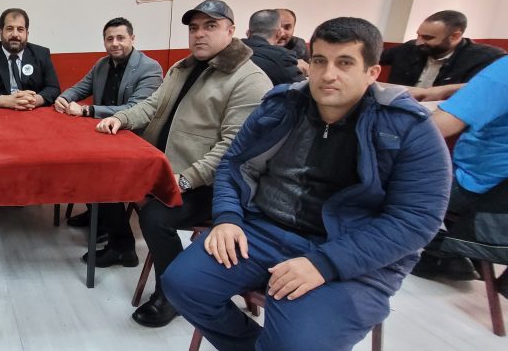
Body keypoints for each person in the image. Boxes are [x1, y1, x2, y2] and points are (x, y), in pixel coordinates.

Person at [162, 17, 452, 351]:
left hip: (351, 246)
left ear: (372, 72)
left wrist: (326, 263)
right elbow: (233, 163)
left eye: (345, 63)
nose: (328, 74)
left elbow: (416, 219)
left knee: (296, 343)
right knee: (182, 285)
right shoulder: (281, 105)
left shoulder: (407, 127)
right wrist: (228, 217)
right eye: (320, 61)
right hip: (264, 229)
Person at [95, 0, 272, 328]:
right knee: (106, 177)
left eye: (210, 26)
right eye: (194, 28)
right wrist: (122, 118)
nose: (199, 34)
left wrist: (187, 179)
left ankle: (172, 294)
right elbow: (152, 105)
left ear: (231, 31)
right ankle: (121, 246)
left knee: (155, 216)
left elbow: (233, 150)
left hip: (212, 184)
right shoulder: (183, 67)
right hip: (165, 168)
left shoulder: (250, 80)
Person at [54, 17, 164, 253]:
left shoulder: (150, 68)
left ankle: (122, 246)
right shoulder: (102, 64)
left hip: (135, 137)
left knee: (101, 171)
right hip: (103, 133)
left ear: (132, 38)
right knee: (75, 159)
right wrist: (64, 97)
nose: (115, 43)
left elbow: (135, 109)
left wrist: (87, 110)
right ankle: (97, 214)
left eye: (120, 38)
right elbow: (82, 87)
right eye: (109, 38)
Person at [414, 56, 508, 292]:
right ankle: (448, 253)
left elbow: (435, 129)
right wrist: (447, 89)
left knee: (385, 171)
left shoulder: (503, 71)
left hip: (483, 191)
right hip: (500, 199)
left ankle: (441, 249)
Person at [380, 10, 504, 101]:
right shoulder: (409, 48)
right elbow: (374, 58)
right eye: (418, 35)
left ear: (454, 36)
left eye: (427, 38)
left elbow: (497, 85)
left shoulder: (486, 57)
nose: (418, 42)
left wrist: (444, 90)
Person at [0, 8, 61, 109]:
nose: (15, 34)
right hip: (0, 113)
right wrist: (5, 101)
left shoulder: (41, 54)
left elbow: (54, 88)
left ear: (27, 34)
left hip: (32, 111)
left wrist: (34, 100)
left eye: (20, 29)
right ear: (0, 32)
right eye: (9, 29)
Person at [242, 9, 304, 86]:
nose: (283, 33)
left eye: (287, 27)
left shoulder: (233, 48)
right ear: (279, 33)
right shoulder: (283, 57)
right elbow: (302, 88)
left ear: (248, 33)